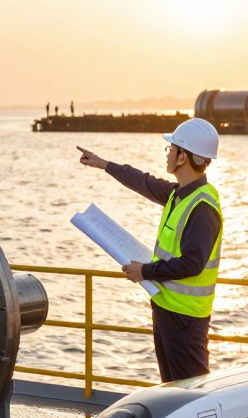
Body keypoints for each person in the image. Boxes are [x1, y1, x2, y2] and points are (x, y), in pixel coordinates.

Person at [76, 118, 222, 382]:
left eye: (172, 148)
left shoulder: (201, 208)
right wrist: (104, 164)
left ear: (183, 157)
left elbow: (192, 263)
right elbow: (143, 182)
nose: (168, 153)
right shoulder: (180, 194)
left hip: (185, 317)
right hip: (167, 308)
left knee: (190, 390)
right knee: (173, 385)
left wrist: (145, 271)